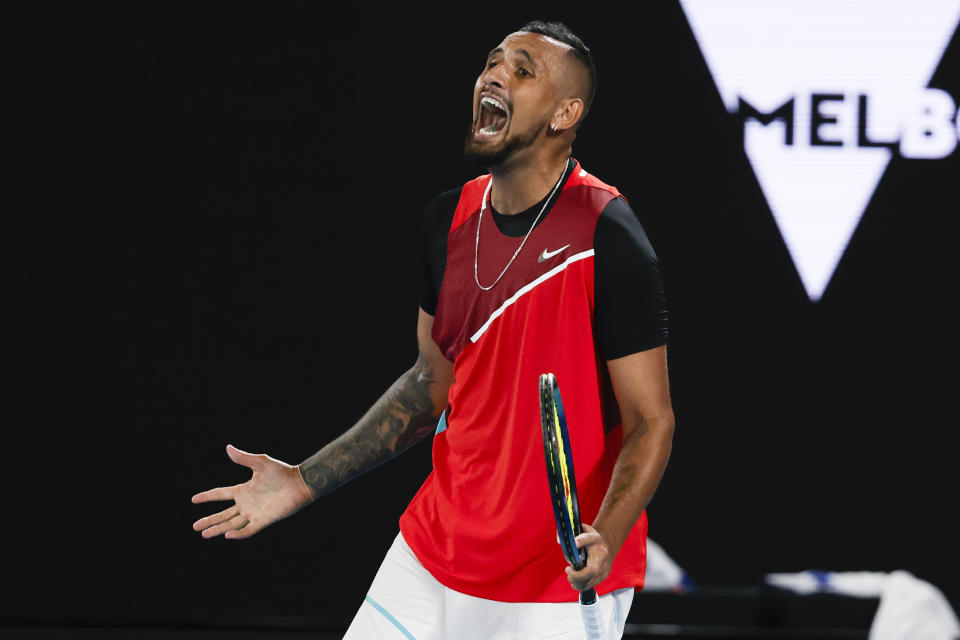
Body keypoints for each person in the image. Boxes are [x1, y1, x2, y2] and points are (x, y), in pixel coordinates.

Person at [192, 20, 675, 640]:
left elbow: (651, 421)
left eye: (523, 70)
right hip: (434, 550)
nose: (495, 75)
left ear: (565, 113)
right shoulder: (447, 220)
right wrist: (302, 483)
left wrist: (605, 538)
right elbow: (430, 383)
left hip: (552, 582)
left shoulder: (607, 234)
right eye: (493, 61)